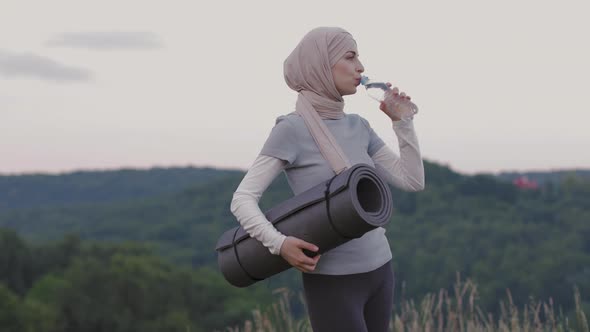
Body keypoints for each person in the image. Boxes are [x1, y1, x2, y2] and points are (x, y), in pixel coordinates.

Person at [230, 26, 425, 332]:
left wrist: (403, 123)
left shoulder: (359, 126)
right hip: (333, 282)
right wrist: (279, 244)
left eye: (359, 56)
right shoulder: (291, 130)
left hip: (381, 269)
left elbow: (412, 180)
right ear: (320, 65)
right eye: (350, 57)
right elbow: (242, 199)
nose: (361, 66)